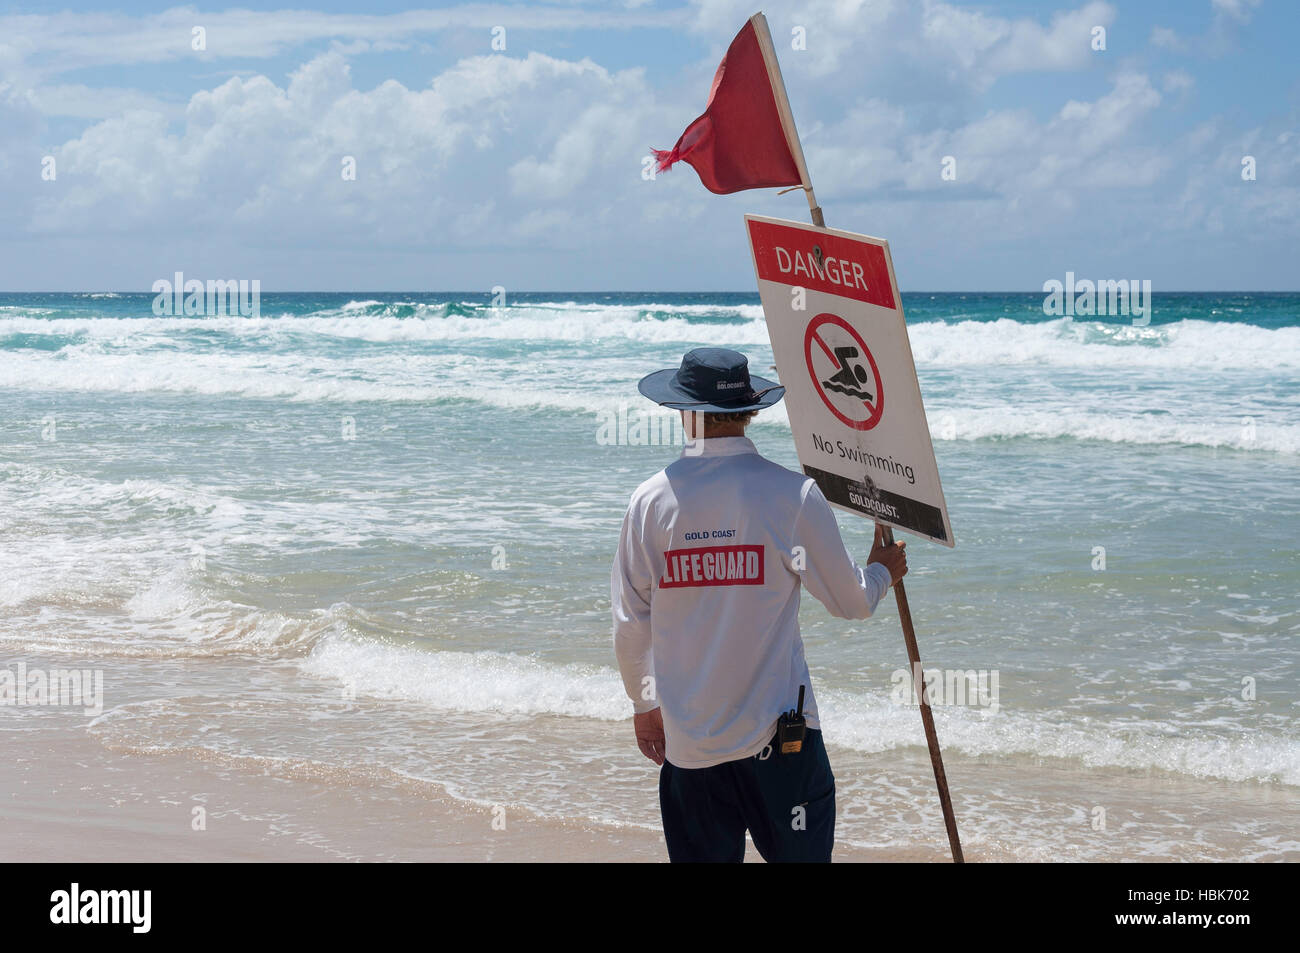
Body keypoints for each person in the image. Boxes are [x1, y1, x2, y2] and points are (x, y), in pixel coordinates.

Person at [611, 346, 908, 863]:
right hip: (782, 742)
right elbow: (852, 603)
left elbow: (631, 621)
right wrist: (883, 569)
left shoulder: (650, 501)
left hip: (691, 742)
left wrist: (643, 706)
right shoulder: (792, 494)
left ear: (685, 411)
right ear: (749, 411)